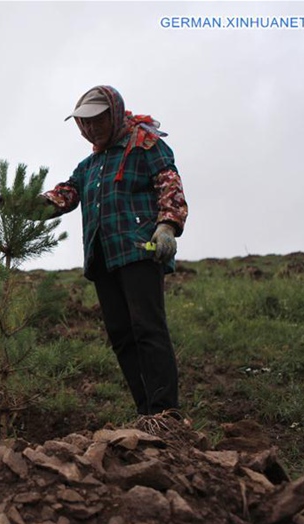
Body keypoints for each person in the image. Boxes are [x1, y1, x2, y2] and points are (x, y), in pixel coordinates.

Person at [41, 85, 188, 417]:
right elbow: (67, 193)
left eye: (97, 120)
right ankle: (146, 411)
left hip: (138, 250)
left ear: (115, 114)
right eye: (84, 123)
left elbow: (169, 183)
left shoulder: (145, 147)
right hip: (103, 257)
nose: (91, 128)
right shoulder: (89, 166)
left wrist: (167, 225)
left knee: (147, 328)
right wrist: (29, 205)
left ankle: (166, 413)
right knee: (122, 335)